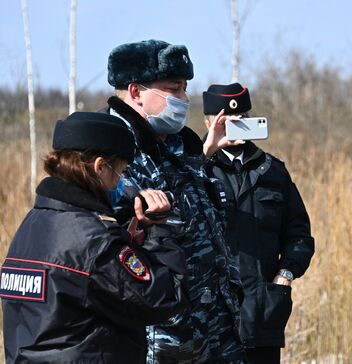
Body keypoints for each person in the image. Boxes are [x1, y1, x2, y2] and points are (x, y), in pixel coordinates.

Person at [0, 112, 188, 363]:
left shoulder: (32, 224)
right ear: (100, 167)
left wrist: (126, 245)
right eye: (120, 172)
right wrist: (159, 231)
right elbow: (165, 299)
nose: (120, 183)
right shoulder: (94, 241)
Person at [103, 39, 244, 363]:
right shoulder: (109, 153)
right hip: (161, 341)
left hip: (215, 330)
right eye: (173, 89)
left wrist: (204, 154)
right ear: (136, 92)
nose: (185, 99)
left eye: (185, 89)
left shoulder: (182, 146)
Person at [202, 83, 315, 364]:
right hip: (208, 314)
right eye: (227, 121)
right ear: (208, 122)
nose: (236, 125)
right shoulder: (195, 169)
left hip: (262, 310)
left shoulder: (273, 171)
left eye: (242, 119)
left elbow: (299, 232)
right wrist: (206, 151)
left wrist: (285, 274)